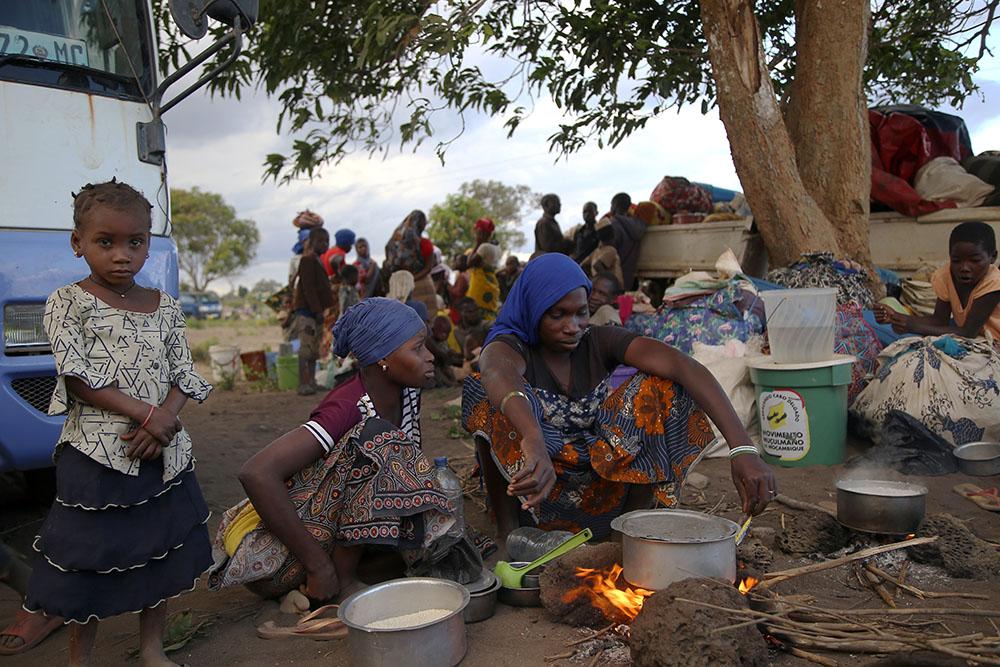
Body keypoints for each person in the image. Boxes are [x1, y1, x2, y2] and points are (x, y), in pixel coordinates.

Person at [21, 180, 213, 667]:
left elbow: (181, 373)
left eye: (136, 242)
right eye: (105, 242)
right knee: (88, 561)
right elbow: (78, 377)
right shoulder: (68, 303)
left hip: (161, 451)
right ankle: (79, 658)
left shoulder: (165, 307)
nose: (122, 255)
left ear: (149, 242)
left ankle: (152, 649)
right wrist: (146, 416)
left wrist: (163, 421)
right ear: (77, 243)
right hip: (96, 457)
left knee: (161, 551)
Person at [461, 253, 775, 540]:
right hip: (536, 490)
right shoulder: (511, 346)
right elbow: (495, 372)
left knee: (660, 386)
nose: (573, 327)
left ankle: (627, 528)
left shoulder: (597, 340)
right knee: (485, 394)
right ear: (533, 310)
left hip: (604, 484)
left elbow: (683, 365)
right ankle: (510, 535)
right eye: (557, 315)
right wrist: (532, 438)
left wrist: (742, 448)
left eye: (580, 313)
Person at [208, 299, 471, 601]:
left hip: (332, 537)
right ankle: (342, 582)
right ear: (382, 359)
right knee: (378, 438)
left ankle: (352, 570)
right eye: (417, 348)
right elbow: (256, 472)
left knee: (450, 545)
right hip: (283, 558)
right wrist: (319, 567)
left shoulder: (407, 392)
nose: (429, 357)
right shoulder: (347, 406)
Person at [857, 222, 1000, 445]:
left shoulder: (994, 283)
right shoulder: (945, 276)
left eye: (975, 260)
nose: (964, 267)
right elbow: (939, 321)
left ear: (992, 258)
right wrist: (897, 317)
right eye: (957, 260)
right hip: (969, 341)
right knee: (910, 360)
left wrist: (910, 323)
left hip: (992, 346)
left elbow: (968, 331)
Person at [292, 227, 335, 395]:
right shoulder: (308, 260)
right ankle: (303, 383)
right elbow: (309, 289)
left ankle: (311, 381)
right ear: (311, 242)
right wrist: (317, 310)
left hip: (314, 312)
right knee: (306, 348)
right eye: (321, 241)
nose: (324, 244)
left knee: (314, 349)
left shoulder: (316, 260)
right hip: (307, 312)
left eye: (326, 241)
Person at [383, 211, 439, 314]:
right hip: (422, 284)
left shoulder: (393, 244)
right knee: (427, 317)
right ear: (422, 224)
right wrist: (412, 279)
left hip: (399, 286)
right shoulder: (425, 243)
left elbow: (388, 264)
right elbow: (428, 268)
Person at [609, 193, 646, 290]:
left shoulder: (614, 225)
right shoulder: (639, 225)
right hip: (629, 276)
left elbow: (609, 253)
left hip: (614, 277)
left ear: (615, 206)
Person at [584, 216, 624, 289]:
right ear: (612, 235)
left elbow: (583, 265)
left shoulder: (596, 252)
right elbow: (598, 265)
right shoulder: (611, 250)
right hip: (611, 289)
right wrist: (610, 282)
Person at [466, 243, 502, 321]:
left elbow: (469, 263)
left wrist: (478, 242)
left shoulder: (484, 247)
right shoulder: (497, 247)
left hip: (481, 283)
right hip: (490, 280)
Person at [428, 315, 464, 387]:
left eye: (448, 333)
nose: (446, 336)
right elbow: (441, 355)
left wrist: (451, 352)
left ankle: (454, 381)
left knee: (448, 369)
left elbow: (446, 353)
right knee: (437, 371)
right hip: (434, 368)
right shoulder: (430, 342)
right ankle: (450, 384)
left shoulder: (443, 341)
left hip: (443, 365)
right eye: (444, 333)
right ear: (433, 329)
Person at [454, 297, 491, 362]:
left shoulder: (486, 326)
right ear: (461, 312)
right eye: (470, 312)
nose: (475, 314)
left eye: (476, 310)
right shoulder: (456, 332)